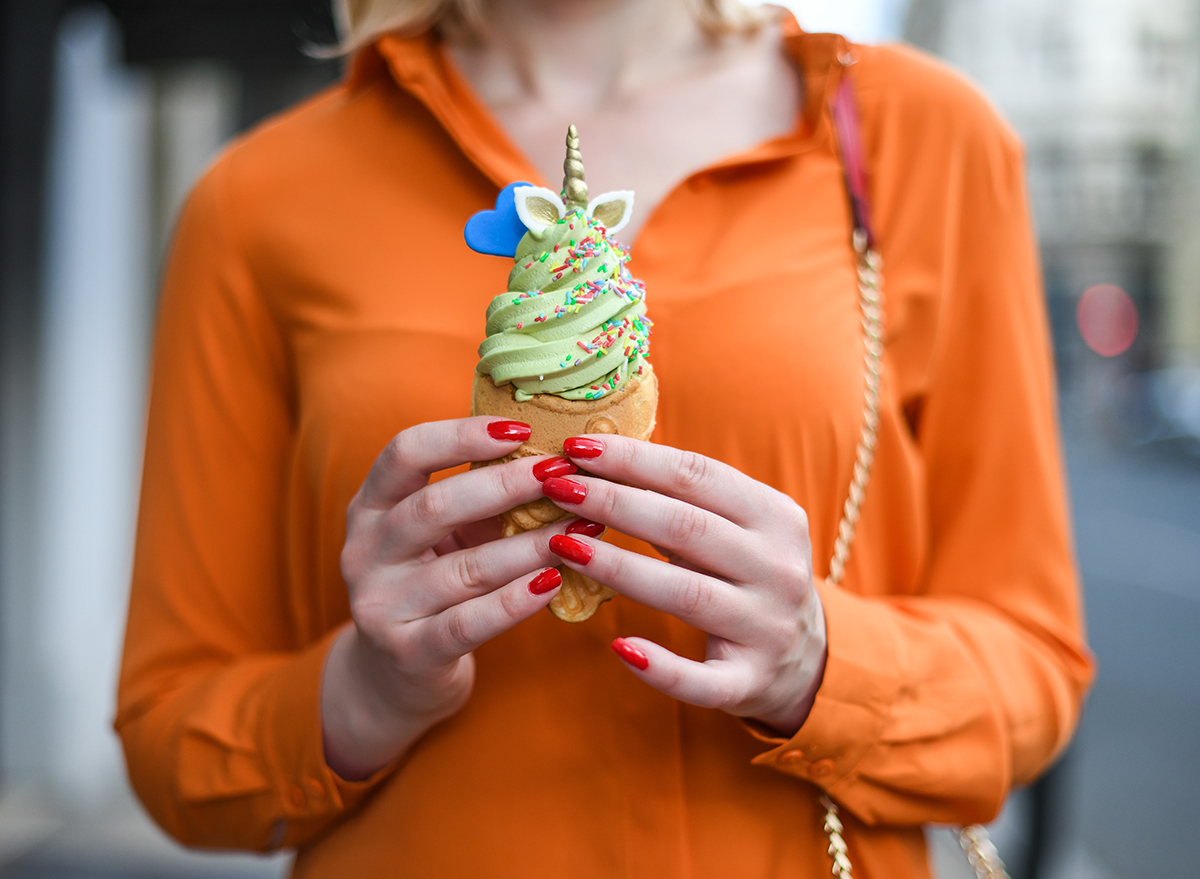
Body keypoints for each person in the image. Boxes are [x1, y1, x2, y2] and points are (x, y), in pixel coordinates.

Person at [116, 0, 1094, 876]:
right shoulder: (257, 200)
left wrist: (822, 664)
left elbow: (1036, 668)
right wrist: (362, 694)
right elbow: (175, 740)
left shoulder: (916, 139)